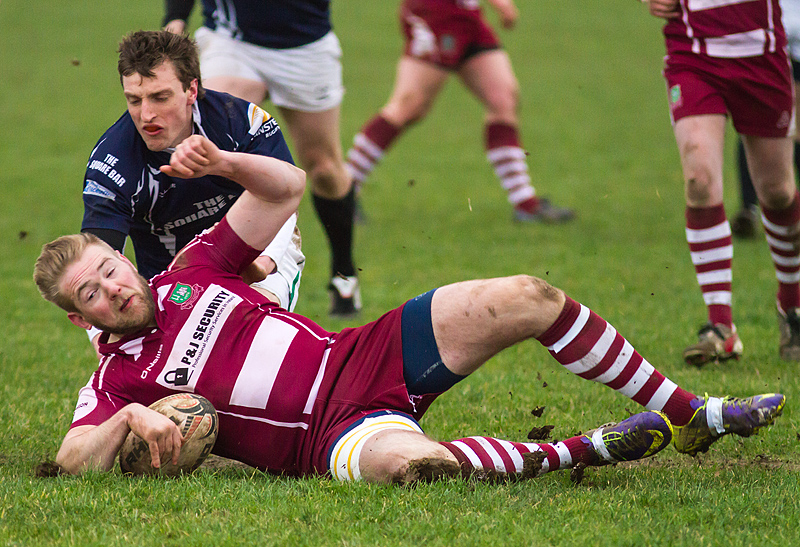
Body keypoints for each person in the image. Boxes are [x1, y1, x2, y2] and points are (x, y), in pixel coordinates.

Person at [35, 134, 784, 481]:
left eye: (109, 269)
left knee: (530, 296)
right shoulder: (114, 384)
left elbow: (287, 190)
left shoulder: (188, 271)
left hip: (360, 352)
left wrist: (226, 163)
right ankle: (583, 447)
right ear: (82, 317)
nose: (114, 288)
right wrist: (130, 418)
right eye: (92, 294)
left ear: (124, 257)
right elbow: (68, 461)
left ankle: (689, 413)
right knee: (417, 468)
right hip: (327, 438)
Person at [81, 30, 305, 355]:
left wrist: (263, 263)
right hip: (167, 285)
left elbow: (285, 198)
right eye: (134, 100)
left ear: (191, 90)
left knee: (254, 331)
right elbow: (94, 266)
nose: (146, 115)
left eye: (160, 97)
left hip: (258, 257)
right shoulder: (113, 163)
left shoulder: (243, 123)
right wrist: (111, 351)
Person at [162, 0, 361, 317]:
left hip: (305, 45)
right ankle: (214, 276)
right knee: (210, 147)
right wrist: (176, 18)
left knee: (324, 168)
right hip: (232, 43)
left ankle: (344, 272)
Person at [645, 0, 800, 365]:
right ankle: (721, 327)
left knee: (777, 192)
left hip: (761, 55)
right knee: (699, 178)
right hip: (692, 52)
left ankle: (792, 308)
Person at [344, 0, 574, 223]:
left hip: (466, 13)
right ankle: (343, 189)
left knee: (503, 99)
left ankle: (525, 204)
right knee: (409, 105)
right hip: (436, 11)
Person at [731, 0, 800, 239]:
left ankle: (767, 207)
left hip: (785, 41)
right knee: (758, 126)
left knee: (785, 128)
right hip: (765, 42)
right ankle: (749, 206)